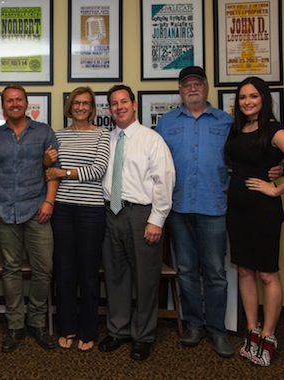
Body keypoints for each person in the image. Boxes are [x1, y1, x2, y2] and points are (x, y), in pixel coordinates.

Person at [156, 66, 283, 358]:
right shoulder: (166, 123)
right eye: (186, 85)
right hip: (178, 208)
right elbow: (154, 162)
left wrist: (277, 169)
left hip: (215, 207)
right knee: (186, 271)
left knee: (214, 273)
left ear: (206, 87)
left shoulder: (229, 123)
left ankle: (217, 330)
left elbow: (257, 149)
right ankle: (194, 325)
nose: (192, 89)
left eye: (197, 84)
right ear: (180, 90)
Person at [225, 77, 284, 366]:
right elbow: (239, 162)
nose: (247, 102)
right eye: (242, 97)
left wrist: (275, 188)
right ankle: (252, 329)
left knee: (267, 273)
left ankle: (269, 333)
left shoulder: (275, 129)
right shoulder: (237, 129)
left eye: (253, 96)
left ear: (263, 98)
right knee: (244, 271)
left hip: (263, 211)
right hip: (237, 208)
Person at [98, 85, 175, 361]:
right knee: (115, 276)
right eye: (113, 104)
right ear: (109, 109)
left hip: (142, 215)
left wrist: (157, 220)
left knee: (145, 278)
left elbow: (164, 180)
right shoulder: (106, 140)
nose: (118, 107)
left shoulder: (151, 140)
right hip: (111, 214)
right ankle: (118, 330)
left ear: (133, 105)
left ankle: (143, 336)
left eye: (123, 102)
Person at [0, 84, 60, 353]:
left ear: (27, 104)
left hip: (38, 210)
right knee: (11, 269)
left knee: (44, 269)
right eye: (9, 101)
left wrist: (49, 201)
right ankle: (15, 325)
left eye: (19, 99)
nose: (14, 104)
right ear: (3, 106)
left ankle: (37, 322)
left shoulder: (44, 132)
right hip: (5, 212)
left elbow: (54, 170)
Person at [43, 86, 110, 352]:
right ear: (69, 107)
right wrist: (48, 164)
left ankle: (89, 329)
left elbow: (97, 170)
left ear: (92, 108)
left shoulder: (102, 134)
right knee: (64, 270)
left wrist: (63, 173)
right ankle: (68, 327)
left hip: (91, 211)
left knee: (89, 273)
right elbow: (48, 171)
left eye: (86, 103)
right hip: (62, 209)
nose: (80, 107)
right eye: (76, 103)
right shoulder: (57, 135)